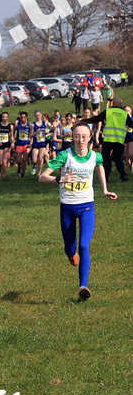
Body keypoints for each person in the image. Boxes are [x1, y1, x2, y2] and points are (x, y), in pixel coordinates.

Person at [39, 122, 117, 300]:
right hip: (67, 207)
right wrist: (60, 178)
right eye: (76, 136)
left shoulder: (95, 156)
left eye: (84, 136)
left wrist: (105, 190)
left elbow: (100, 168)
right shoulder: (65, 156)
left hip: (87, 206)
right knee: (70, 247)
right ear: (72, 137)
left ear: (90, 137)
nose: (80, 140)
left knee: (84, 245)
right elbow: (41, 177)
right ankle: (70, 254)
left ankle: (83, 286)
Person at [82, 98, 133, 182]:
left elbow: (96, 119)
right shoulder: (124, 113)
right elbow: (131, 124)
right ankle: (123, 175)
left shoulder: (108, 111)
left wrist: (83, 121)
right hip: (119, 140)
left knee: (106, 159)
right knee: (118, 158)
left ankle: (106, 176)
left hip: (108, 139)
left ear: (112, 103)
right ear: (121, 104)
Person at [0, 112, 14, 179]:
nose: (4, 118)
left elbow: (12, 137)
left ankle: (4, 175)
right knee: (0, 162)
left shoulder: (10, 126)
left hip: (7, 144)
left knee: (4, 160)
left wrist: (12, 143)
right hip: (0, 144)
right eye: (3, 117)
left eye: (5, 117)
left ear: (8, 118)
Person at [30, 111, 50, 176]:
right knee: (34, 160)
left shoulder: (45, 123)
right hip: (35, 144)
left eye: (39, 115)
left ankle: (39, 173)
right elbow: (31, 135)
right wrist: (36, 133)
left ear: (41, 115)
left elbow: (53, 127)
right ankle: (34, 166)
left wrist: (47, 131)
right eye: (36, 115)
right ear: (35, 116)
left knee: (40, 158)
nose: (38, 117)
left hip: (43, 144)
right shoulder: (33, 125)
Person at [14, 111, 31, 177]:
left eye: (24, 117)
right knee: (18, 160)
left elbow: (31, 134)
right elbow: (14, 133)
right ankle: (19, 167)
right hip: (19, 144)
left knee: (24, 159)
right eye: (21, 117)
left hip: (26, 144)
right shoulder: (17, 125)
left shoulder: (29, 125)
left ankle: (23, 173)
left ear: (27, 117)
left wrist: (30, 142)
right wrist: (13, 140)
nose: (23, 119)